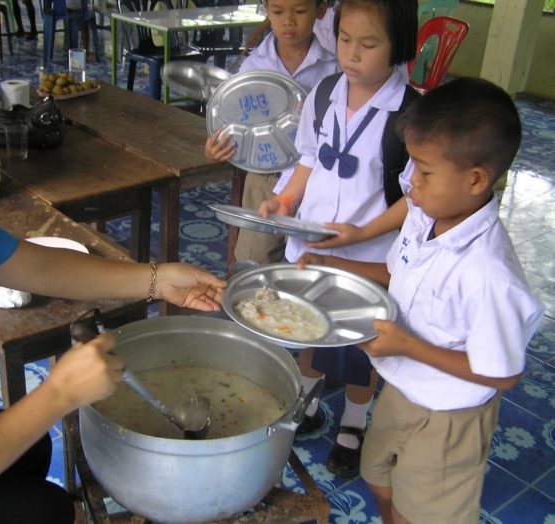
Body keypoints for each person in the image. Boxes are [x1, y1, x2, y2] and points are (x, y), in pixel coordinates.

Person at [0, 57, 227, 524]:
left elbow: (36, 264)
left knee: (29, 450)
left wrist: (158, 279)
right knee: (47, 511)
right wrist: (59, 392)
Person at [297, 76, 544, 523]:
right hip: (403, 386)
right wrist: (335, 267)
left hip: (452, 414)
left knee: (428, 511)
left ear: (474, 179)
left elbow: (502, 373)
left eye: (424, 170)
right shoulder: (424, 215)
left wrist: (407, 346)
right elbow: (396, 272)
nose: (409, 181)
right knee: (378, 476)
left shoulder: (489, 274)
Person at [257, 0, 418, 477]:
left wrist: (365, 232)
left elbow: (416, 196)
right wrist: (285, 202)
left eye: (368, 45)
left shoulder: (410, 113)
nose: (352, 54)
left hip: (368, 254)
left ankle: (353, 420)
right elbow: (309, 158)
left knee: (359, 341)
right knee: (308, 322)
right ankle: (305, 399)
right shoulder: (326, 92)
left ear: (399, 46)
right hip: (312, 247)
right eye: (345, 39)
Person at [204, 0, 339, 438]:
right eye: (278, 11)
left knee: (308, 273)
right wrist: (216, 147)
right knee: (252, 268)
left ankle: (303, 371)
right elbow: (229, 125)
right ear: (266, 8)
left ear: (319, 10)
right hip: (264, 183)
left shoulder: (335, 58)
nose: (288, 22)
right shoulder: (255, 64)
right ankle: (256, 363)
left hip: (319, 183)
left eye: (299, 10)